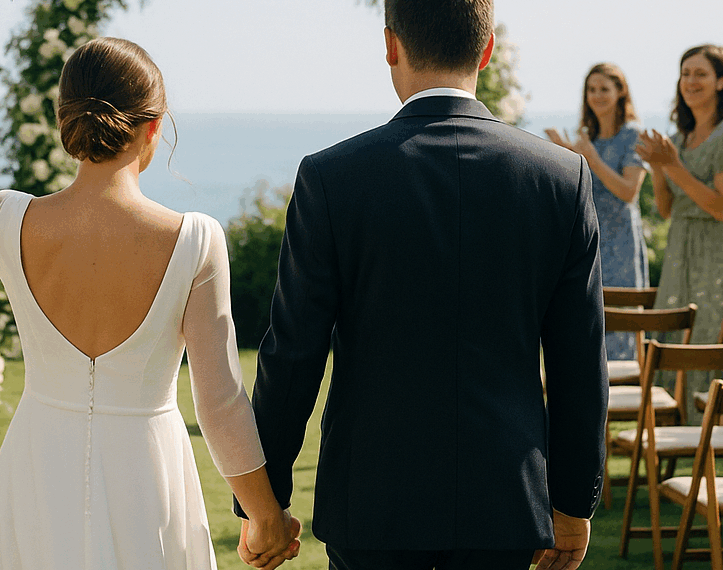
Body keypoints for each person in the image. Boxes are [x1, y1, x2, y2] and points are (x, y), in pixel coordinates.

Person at [0, 9, 300, 570]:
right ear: (153, 127)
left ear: (65, 121)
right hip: (147, 475)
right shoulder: (194, 240)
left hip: (38, 467)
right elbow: (219, 403)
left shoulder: (10, 224)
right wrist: (265, 517)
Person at [234, 1, 607, 569]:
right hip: (503, 500)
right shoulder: (561, 178)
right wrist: (574, 501)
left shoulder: (332, 178)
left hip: (371, 501)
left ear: (390, 46)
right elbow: (580, 361)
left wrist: (264, 506)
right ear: (486, 50)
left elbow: (292, 354)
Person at [637, 44, 723, 425]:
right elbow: (668, 209)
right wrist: (658, 167)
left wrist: (673, 165)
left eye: (700, 73)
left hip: (715, 251)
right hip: (680, 248)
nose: (690, 81)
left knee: (709, 337)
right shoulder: (682, 135)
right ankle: (675, 436)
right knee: (677, 336)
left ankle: (721, 435)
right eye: (685, 73)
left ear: (721, 81)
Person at [546, 63, 648, 363]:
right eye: (592, 89)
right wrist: (567, 154)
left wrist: (590, 158)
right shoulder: (589, 136)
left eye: (604, 89)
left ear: (620, 92)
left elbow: (629, 191)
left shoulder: (633, 134)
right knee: (588, 322)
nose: (597, 95)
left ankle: (628, 401)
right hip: (588, 238)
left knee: (621, 322)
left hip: (620, 243)